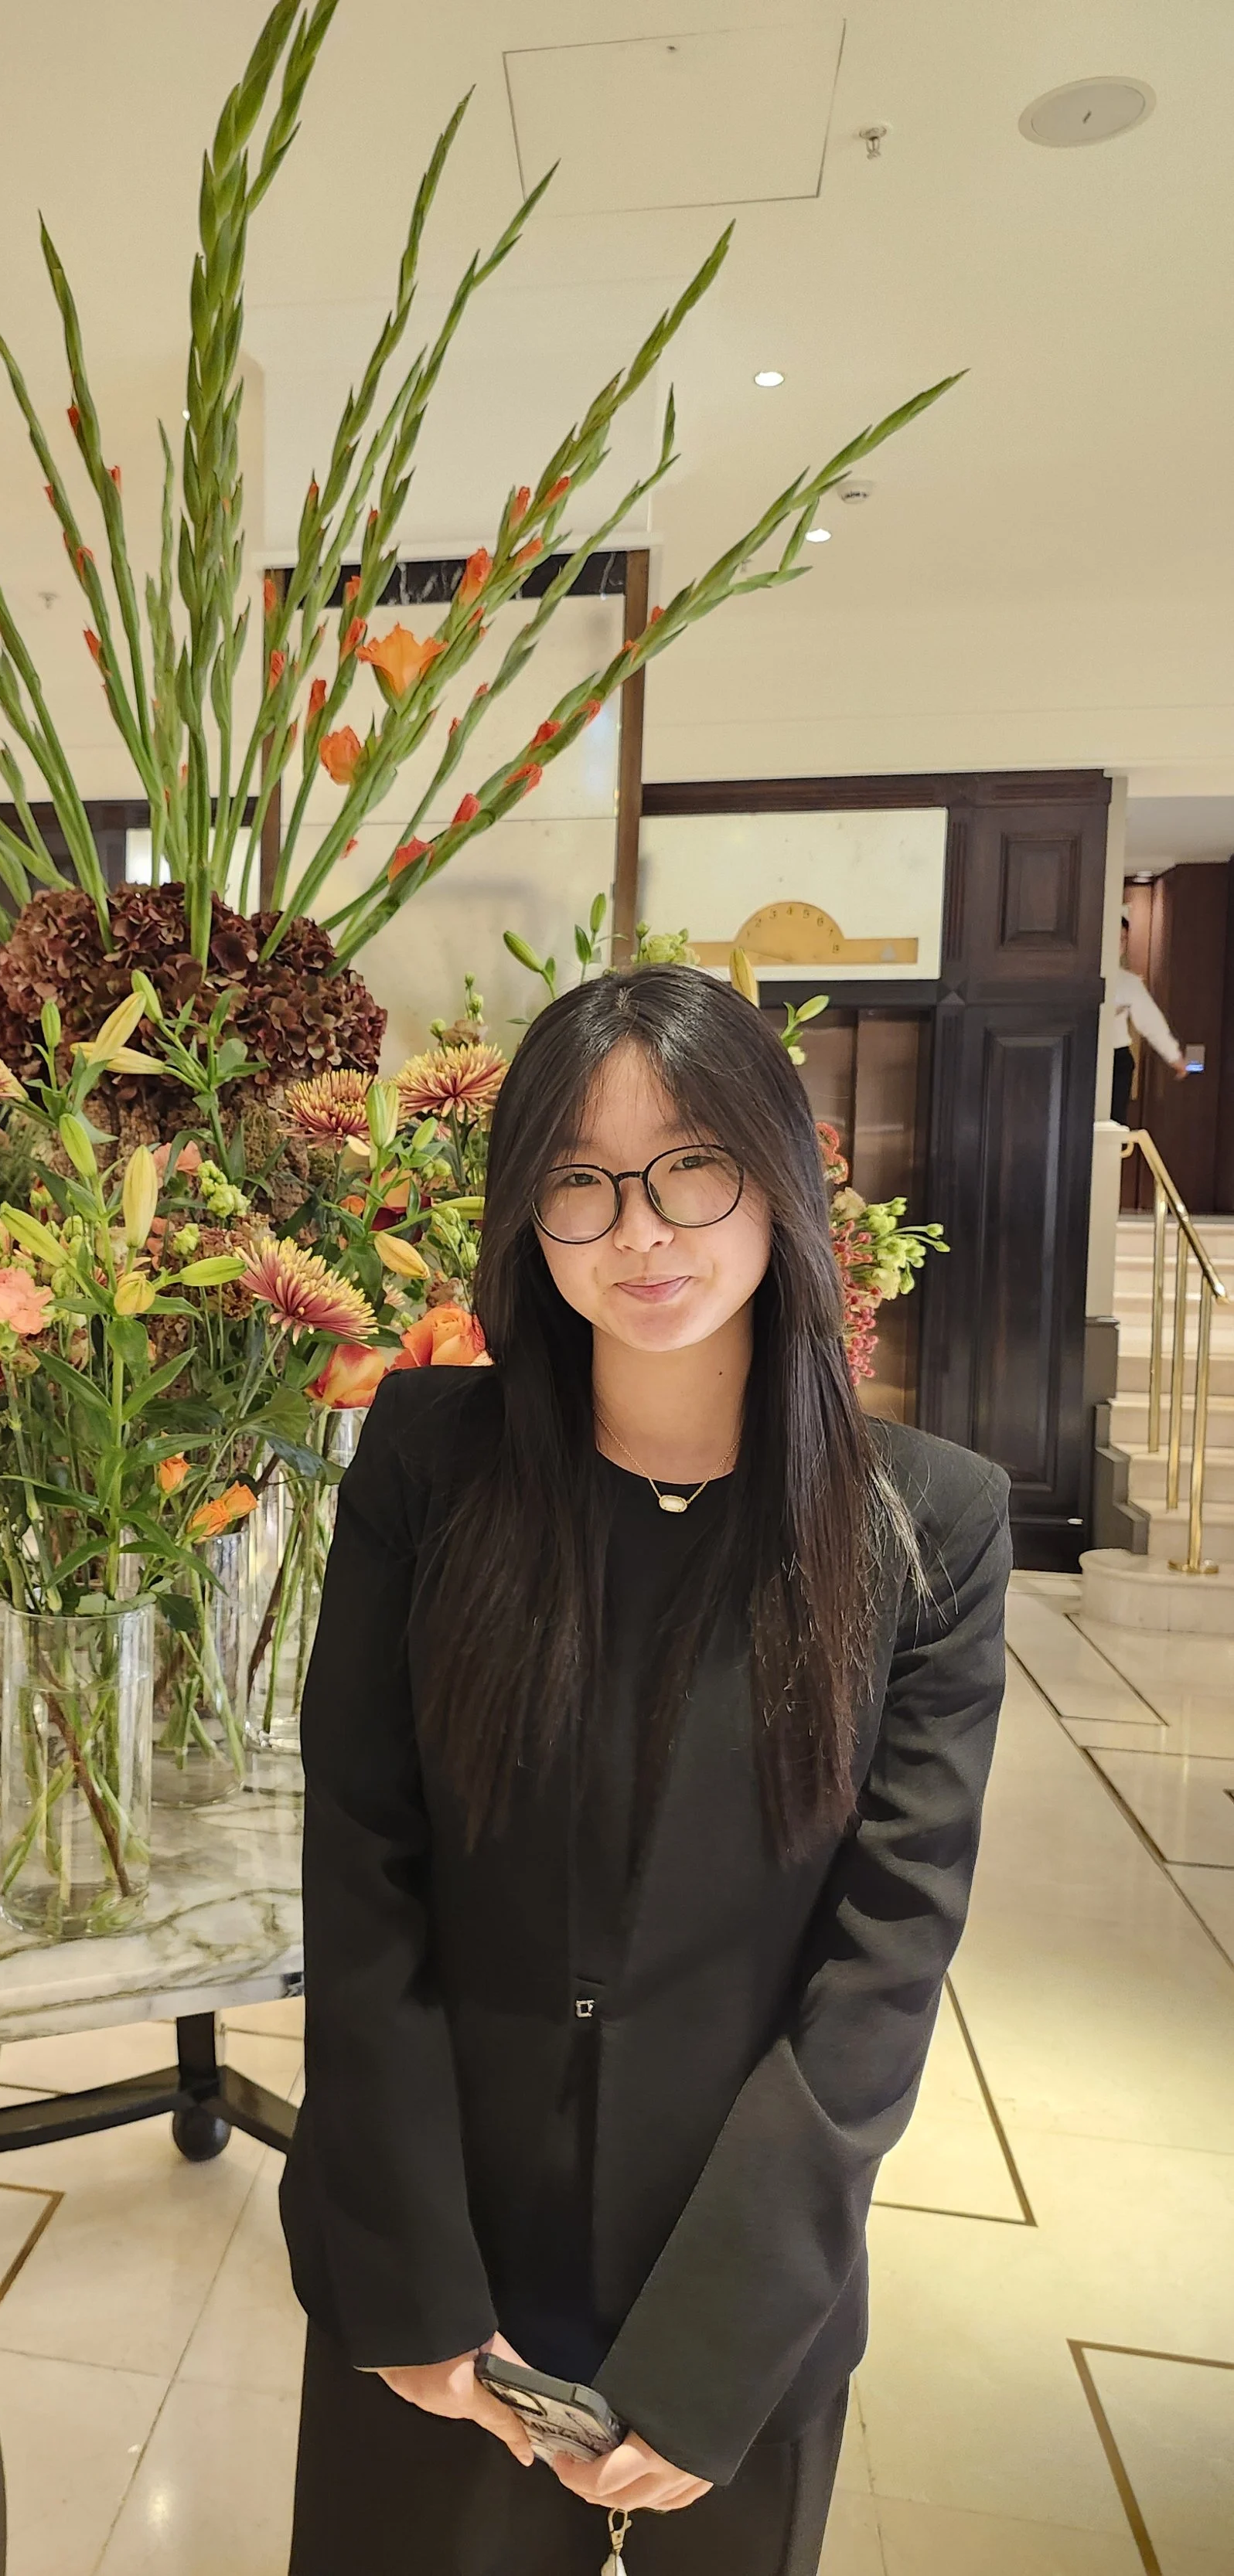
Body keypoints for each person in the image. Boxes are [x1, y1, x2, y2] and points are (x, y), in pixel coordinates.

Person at [281, 965, 1011, 2575]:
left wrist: (712, 2349)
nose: (640, 1231)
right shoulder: (425, 1463)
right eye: (580, 1182)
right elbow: (361, 1870)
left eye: (691, 1165)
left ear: (778, 1173)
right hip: (445, 2271)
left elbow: (881, 1967)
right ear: (524, 1219)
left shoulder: (926, 1525)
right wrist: (412, 2285)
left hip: (737, 2290)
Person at [1109, 909, 1191, 1125]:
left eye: (1123, 939)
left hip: (1116, 1060)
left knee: (1114, 1125)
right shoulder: (1079, 976)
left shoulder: (1128, 982)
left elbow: (1151, 1021)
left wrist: (1174, 1057)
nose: (1118, 945)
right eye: (1113, 938)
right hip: (1079, 1056)